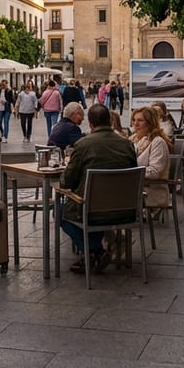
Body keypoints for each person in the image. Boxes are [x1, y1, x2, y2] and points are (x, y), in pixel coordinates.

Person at [58, 104, 137, 275]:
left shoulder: (83, 145)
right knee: (97, 206)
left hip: (94, 210)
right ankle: (94, 254)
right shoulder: (127, 144)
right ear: (109, 121)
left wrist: (63, 177)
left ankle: (95, 251)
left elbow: (67, 181)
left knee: (60, 211)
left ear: (90, 123)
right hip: (126, 209)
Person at [130, 107, 170, 211]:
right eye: (134, 120)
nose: (135, 124)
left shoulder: (157, 142)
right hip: (134, 185)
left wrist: (130, 173)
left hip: (151, 190)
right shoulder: (133, 140)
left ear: (150, 123)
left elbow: (154, 172)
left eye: (140, 120)